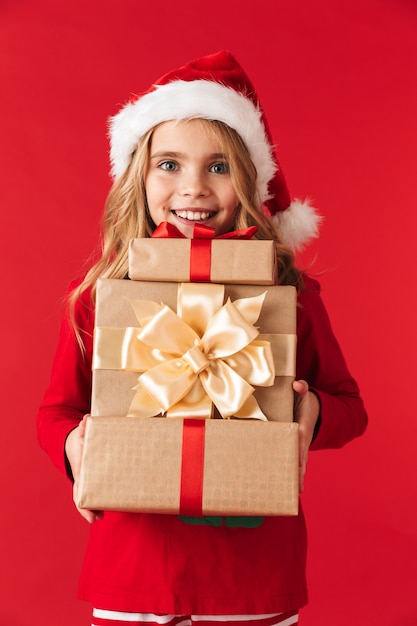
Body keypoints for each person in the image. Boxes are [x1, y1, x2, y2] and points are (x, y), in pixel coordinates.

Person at [37, 50, 367, 626]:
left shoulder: (289, 292)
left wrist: (310, 409)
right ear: (137, 175)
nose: (194, 188)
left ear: (250, 181)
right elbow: (58, 410)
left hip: (252, 575)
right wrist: (73, 445)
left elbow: (351, 407)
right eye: (169, 164)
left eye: (218, 167)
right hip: (135, 569)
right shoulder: (99, 294)